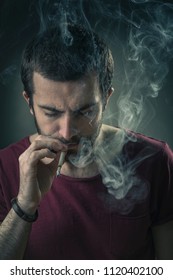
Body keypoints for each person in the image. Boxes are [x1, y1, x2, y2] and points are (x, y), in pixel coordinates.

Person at [0, 23, 173, 260]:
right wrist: (24, 206)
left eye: (85, 111)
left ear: (106, 98)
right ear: (29, 102)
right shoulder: (4, 167)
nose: (68, 132)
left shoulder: (155, 161)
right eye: (51, 112)